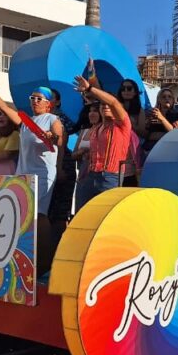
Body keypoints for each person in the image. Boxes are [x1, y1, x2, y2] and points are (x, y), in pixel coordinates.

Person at [0, 76, 63, 216]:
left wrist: (52, 136)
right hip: (23, 174)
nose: (35, 101)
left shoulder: (52, 119)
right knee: (21, 213)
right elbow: (4, 108)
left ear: (48, 103)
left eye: (39, 99)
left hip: (42, 175)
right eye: (33, 98)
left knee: (38, 214)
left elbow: (59, 139)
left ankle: (44, 239)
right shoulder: (25, 121)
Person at [73, 74, 132, 208]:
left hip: (110, 177)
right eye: (102, 104)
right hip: (89, 176)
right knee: (82, 216)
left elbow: (113, 102)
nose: (106, 106)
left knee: (106, 217)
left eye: (108, 105)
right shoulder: (95, 128)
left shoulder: (122, 125)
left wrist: (89, 88)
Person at [46, 87, 78, 238]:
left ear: (57, 102)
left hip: (62, 162)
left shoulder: (60, 119)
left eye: (49, 97)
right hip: (45, 165)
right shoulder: (38, 119)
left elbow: (61, 144)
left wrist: (59, 168)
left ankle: (56, 247)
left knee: (59, 211)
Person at [72, 103, 102, 207]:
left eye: (95, 111)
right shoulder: (84, 131)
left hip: (98, 174)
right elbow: (73, 154)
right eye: (90, 111)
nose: (91, 114)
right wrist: (80, 152)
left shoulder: (104, 131)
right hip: (83, 173)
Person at [142, 87, 178, 158]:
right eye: (163, 97)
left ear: (173, 100)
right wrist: (147, 123)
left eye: (169, 97)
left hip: (166, 150)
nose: (167, 99)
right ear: (159, 100)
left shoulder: (176, 115)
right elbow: (145, 134)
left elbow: (174, 133)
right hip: (149, 149)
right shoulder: (152, 113)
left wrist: (161, 118)